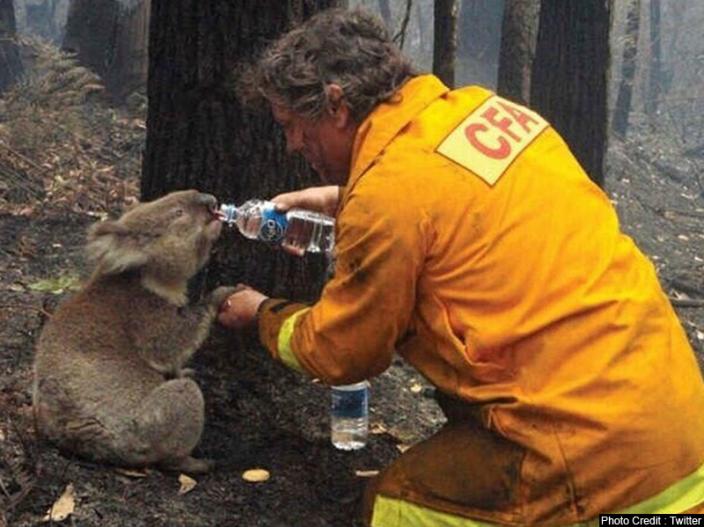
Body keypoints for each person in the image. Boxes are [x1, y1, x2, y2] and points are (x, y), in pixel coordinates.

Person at [218, 7, 704, 526]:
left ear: (336, 105)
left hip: (588, 461)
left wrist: (261, 314)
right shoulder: (484, 112)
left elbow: (343, 351)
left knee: (396, 506)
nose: (292, 145)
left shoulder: (390, 197)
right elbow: (451, 204)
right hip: (679, 437)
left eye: (293, 126)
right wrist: (343, 199)